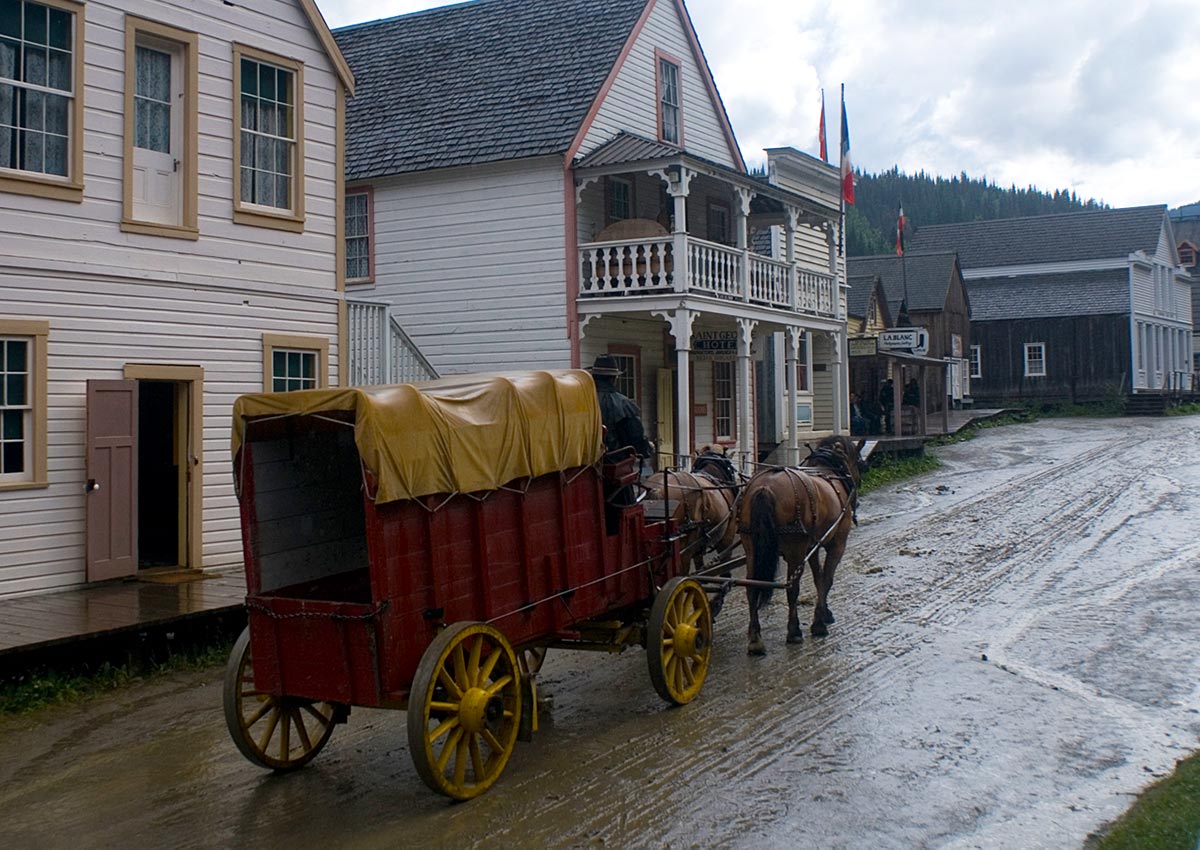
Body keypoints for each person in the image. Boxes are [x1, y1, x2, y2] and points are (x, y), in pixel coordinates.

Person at [589, 355, 652, 459]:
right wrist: (646, 448)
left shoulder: (581, 400)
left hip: (582, 460)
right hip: (613, 460)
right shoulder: (623, 404)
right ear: (613, 378)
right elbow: (635, 437)